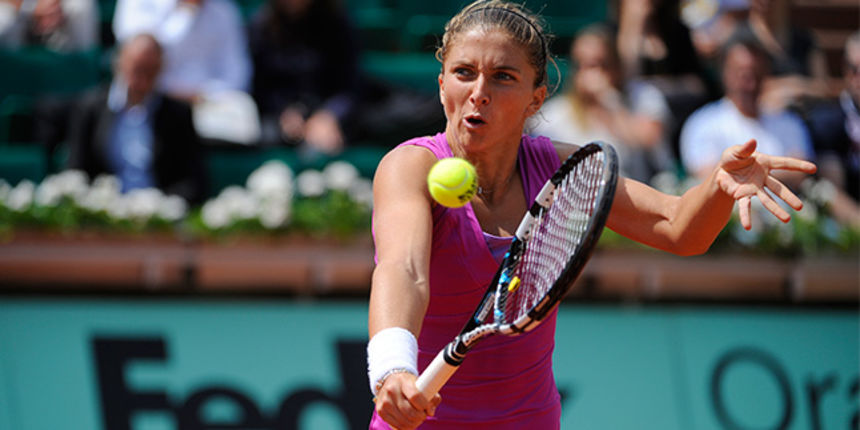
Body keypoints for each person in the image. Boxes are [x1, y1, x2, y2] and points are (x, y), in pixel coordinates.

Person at [367, 1, 815, 429]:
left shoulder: (566, 171)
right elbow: (403, 269)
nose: (479, 93)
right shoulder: (410, 167)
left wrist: (717, 187)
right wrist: (393, 368)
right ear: (442, 82)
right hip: (417, 423)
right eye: (464, 73)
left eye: (503, 77)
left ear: (535, 98)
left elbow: (680, 230)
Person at [66, 33, 208, 204]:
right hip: (103, 214)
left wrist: (164, 206)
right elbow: (77, 171)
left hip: (160, 217)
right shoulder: (90, 109)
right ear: (119, 64)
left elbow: (193, 180)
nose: (142, 79)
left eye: (150, 71)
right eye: (137, 69)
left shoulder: (178, 114)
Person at [529, 23, 675, 182]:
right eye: (582, 65)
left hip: (636, 193)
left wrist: (610, 100)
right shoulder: (555, 114)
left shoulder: (642, 96)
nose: (591, 75)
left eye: (600, 65)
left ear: (617, 66)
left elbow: (649, 140)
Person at [679, 35, 814, 186]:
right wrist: (760, 174)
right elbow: (706, 177)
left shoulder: (789, 122)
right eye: (741, 74)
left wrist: (747, 174)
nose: (750, 83)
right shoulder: (703, 123)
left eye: (756, 73)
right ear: (725, 73)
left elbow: (800, 171)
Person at [247, 0, 360, 154]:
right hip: (280, 124)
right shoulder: (261, 24)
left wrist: (329, 116)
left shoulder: (337, 22)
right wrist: (284, 113)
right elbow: (260, 86)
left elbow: (349, 84)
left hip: (329, 119)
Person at [112, 0, 251, 103]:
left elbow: (237, 75)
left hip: (211, 106)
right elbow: (145, 56)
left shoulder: (225, 12)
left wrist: (205, 95)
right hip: (153, 101)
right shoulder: (139, 3)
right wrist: (186, 13)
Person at [0, 0, 98, 52]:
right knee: (4, 17)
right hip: (16, 6)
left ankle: (83, 77)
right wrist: (31, 8)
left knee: (81, 5)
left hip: (53, 5)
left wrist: (53, 4)